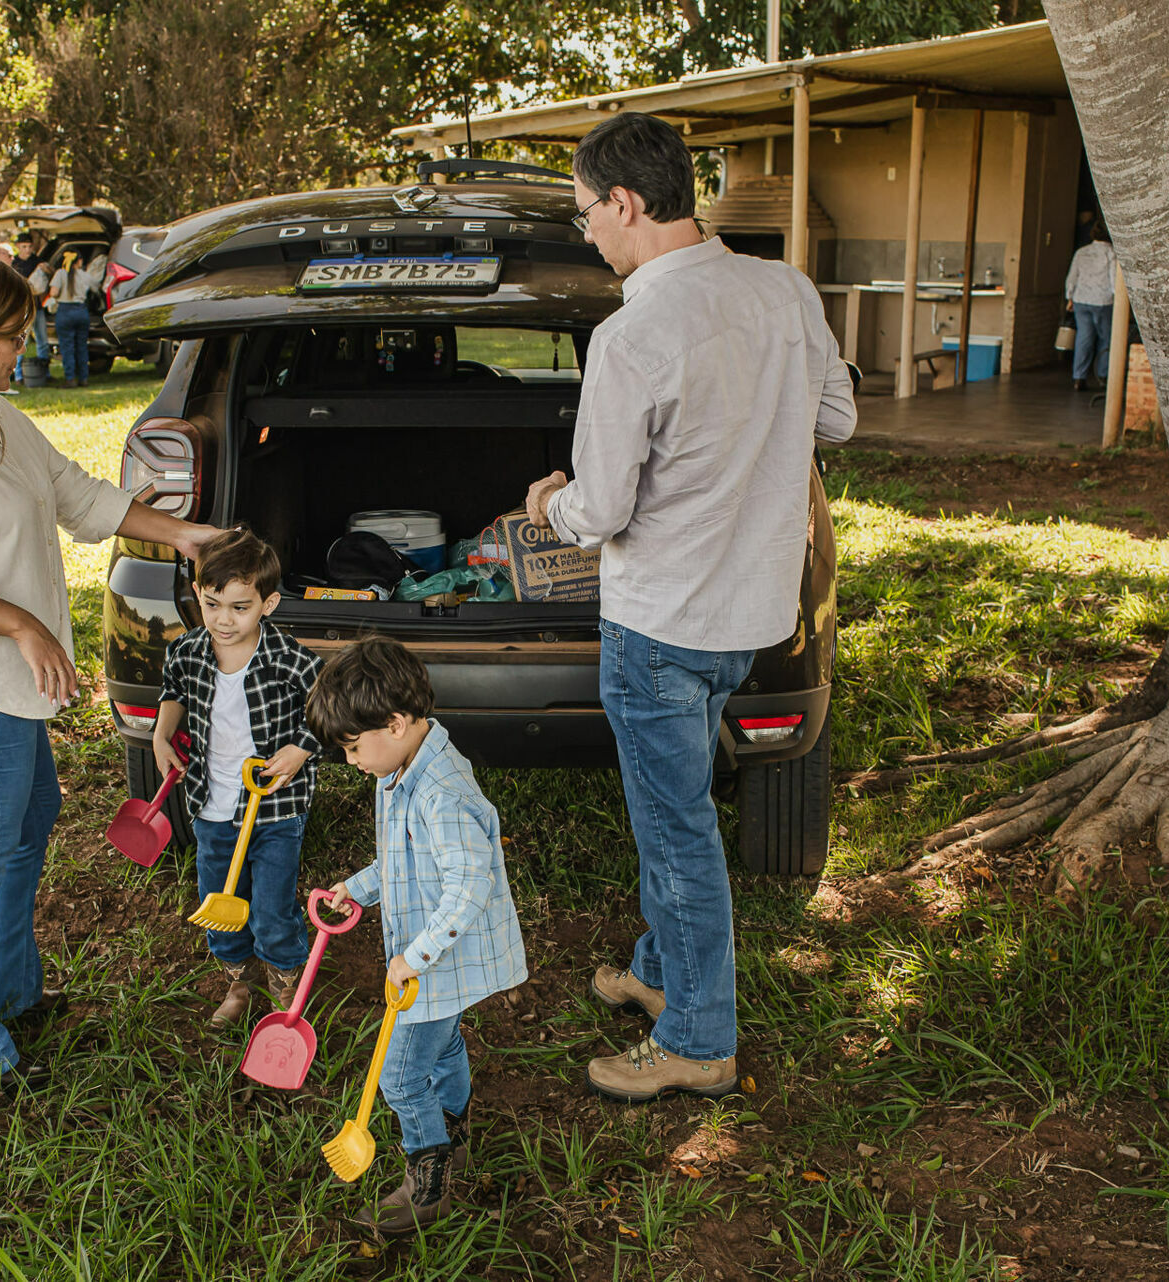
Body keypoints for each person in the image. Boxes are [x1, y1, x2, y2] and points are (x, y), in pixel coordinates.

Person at [524, 113, 855, 1104]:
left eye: (588, 214)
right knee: (675, 816)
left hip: (660, 625)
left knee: (674, 833)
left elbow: (604, 509)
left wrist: (550, 503)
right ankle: (661, 975)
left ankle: (701, 1041)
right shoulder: (785, 290)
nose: (588, 233)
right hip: (752, 615)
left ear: (625, 202)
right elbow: (836, 416)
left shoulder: (634, 335)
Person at [0, 247, 215, 1091]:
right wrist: (22, 625)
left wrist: (187, 537)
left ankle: (8, 994)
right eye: (8, 338)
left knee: (27, 823)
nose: (22, 350)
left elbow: (76, 493)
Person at [313, 638, 527, 1238]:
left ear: (396, 722)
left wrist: (414, 957)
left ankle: (428, 1182)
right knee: (445, 1046)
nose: (352, 761)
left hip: (438, 959)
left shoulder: (440, 793)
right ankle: (456, 1138)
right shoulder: (400, 770)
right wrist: (354, 889)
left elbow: (468, 886)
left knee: (401, 1076)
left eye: (355, 747)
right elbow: (398, 865)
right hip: (433, 957)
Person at [151, 528, 323, 1026]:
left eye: (240, 607)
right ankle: (238, 984)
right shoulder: (187, 652)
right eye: (211, 604)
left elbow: (328, 711)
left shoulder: (290, 659)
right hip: (212, 805)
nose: (223, 621)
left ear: (268, 604)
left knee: (270, 909)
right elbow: (174, 691)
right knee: (218, 903)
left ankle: (285, 990)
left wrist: (300, 749)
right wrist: (163, 736)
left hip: (274, 809)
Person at [1065, 221, 1118, 392]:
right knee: (1106, 339)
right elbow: (1114, 279)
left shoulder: (1082, 252)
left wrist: (1070, 297)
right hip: (1103, 300)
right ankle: (1103, 375)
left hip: (1081, 299)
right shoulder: (1112, 253)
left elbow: (1072, 276)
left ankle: (1079, 377)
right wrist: (1117, 297)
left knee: (1084, 339)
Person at [48, 250, 93, 386]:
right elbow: (96, 288)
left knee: (67, 347)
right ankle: (83, 378)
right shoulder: (85, 275)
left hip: (65, 312)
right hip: (81, 311)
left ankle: (70, 378)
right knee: (82, 346)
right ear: (79, 262)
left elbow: (53, 292)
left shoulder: (60, 273)